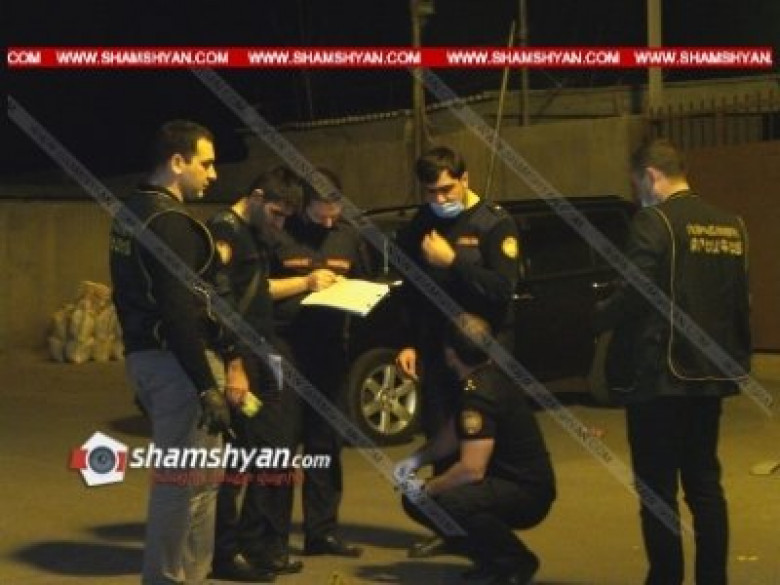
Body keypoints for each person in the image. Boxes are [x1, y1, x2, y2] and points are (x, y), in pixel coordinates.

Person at [594, 138, 751, 585]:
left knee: (657, 489)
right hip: (709, 374)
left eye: (636, 183)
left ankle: (665, 577)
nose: (638, 192)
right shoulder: (731, 225)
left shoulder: (654, 220)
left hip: (659, 376)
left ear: (650, 175)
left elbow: (635, 291)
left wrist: (599, 317)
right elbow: (741, 301)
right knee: (704, 484)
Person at [110, 120, 248, 585]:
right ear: (177, 162)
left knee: (201, 481)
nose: (213, 174)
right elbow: (178, 312)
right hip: (179, 366)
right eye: (205, 164)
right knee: (183, 484)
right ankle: (170, 577)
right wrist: (206, 386)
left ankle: (190, 573)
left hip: (148, 357)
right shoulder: (170, 222)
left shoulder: (131, 210)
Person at [394, 146, 520, 557]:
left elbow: (502, 289)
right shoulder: (421, 223)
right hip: (437, 349)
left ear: (465, 179)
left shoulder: (494, 222)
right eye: (431, 192)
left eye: (447, 189)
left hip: (484, 353)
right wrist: (408, 341)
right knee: (441, 432)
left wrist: (453, 263)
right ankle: (450, 530)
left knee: (482, 441)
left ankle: (491, 534)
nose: (440, 199)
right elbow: (411, 290)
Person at [395, 313, 555, 585]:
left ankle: (516, 560)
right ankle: (490, 561)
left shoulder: (481, 393)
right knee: (417, 501)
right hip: (512, 482)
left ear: (450, 354)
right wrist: (416, 460)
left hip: (526, 490)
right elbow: (452, 435)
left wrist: (429, 487)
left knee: (449, 503)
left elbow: (471, 470)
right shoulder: (482, 379)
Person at [268, 168, 370, 558]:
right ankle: (273, 539)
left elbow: (364, 281)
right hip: (287, 348)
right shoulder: (282, 232)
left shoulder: (348, 236)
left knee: (325, 444)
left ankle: (321, 532)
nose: (328, 222)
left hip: (330, 351)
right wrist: (306, 283)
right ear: (304, 204)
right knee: (282, 445)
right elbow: (258, 289)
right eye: (320, 214)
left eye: (334, 213)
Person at [207, 166, 303, 582]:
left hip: (265, 355)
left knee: (274, 450)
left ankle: (256, 544)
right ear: (258, 197)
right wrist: (234, 366)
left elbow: (258, 290)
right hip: (242, 358)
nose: (280, 225)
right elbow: (218, 301)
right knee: (239, 458)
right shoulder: (224, 230)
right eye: (277, 214)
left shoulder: (256, 233)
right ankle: (225, 554)